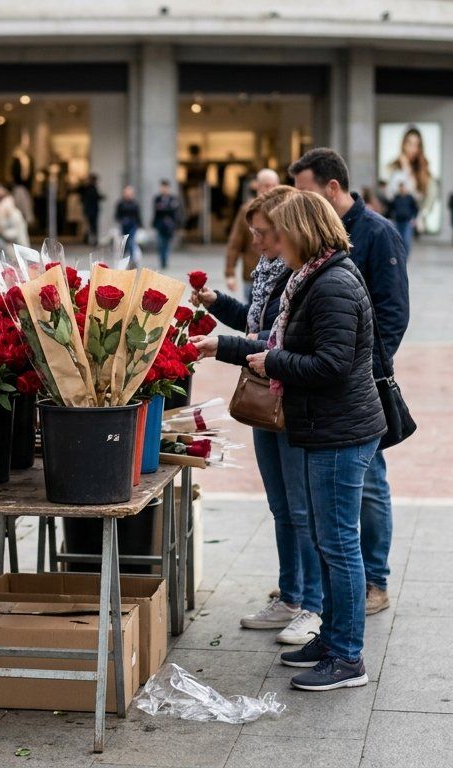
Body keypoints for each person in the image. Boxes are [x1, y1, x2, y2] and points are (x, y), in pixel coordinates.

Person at [246, 190, 386, 691]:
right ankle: (332, 639)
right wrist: (228, 346)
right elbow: (283, 343)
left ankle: (348, 657)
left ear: (303, 232)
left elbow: (332, 364)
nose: (273, 243)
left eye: (279, 233)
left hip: (339, 431)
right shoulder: (313, 277)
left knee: (339, 544)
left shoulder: (333, 284)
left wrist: (274, 363)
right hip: (326, 427)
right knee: (331, 543)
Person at [191, 185, 322, 646]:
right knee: (283, 506)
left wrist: (222, 346)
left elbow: (275, 340)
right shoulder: (270, 269)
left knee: (304, 508)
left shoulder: (304, 274)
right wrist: (217, 304)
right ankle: (290, 596)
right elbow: (256, 323)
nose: (258, 243)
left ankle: (313, 605)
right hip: (268, 394)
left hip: (293, 396)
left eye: (264, 233)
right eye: (255, 234)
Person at [290, 148, 408, 617]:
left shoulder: (377, 233)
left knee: (371, 482)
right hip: (333, 382)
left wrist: (370, 368)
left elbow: (393, 313)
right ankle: (336, 586)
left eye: (304, 193)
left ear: (331, 189)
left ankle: (374, 579)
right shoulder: (318, 242)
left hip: (362, 380)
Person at [225, 169, 281, 296]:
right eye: (267, 185)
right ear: (257, 187)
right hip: (253, 276)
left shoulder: (286, 209)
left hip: (280, 276)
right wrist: (230, 274)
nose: (271, 189)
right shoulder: (247, 210)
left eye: (274, 185)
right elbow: (235, 244)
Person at [152, 180, 182, 270]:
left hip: (170, 226)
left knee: (167, 244)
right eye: (162, 187)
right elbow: (157, 212)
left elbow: (174, 212)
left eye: (166, 187)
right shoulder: (157, 198)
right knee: (161, 243)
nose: (164, 189)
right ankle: (162, 260)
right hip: (160, 225)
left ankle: (165, 260)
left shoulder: (173, 198)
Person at [387, 182, 419, 259]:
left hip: (407, 221)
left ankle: (406, 255)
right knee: (398, 239)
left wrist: (414, 218)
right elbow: (390, 208)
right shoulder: (396, 197)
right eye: (401, 188)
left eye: (403, 188)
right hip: (398, 221)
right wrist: (390, 218)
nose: (402, 189)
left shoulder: (410, 198)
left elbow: (415, 209)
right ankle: (399, 255)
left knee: (406, 240)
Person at [113, 185, 142, 259]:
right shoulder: (120, 203)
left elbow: (138, 215)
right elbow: (117, 215)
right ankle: (124, 258)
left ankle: (132, 258)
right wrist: (122, 220)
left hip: (133, 225)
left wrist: (140, 225)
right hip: (124, 226)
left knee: (131, 241)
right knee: (124, 243)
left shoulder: (135, 204)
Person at [79, 175, 103, 245]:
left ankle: (89, 239)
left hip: (90, 210)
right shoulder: (90, 188)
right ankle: (91, 239)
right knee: (91, 226)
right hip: (92, 210)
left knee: (89, 225)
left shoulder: (88, 188)